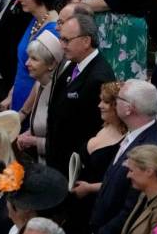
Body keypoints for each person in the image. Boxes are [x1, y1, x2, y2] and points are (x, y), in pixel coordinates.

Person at [88, 80, 157, 234]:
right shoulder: (136, 134)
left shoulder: (151, 148)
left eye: (119, 99)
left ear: (129, 108)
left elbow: (134, 205)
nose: (115, 102)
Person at [47, 12, 117, 175]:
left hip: (75, 168)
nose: (62, 45)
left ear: (86, 41)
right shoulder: (74, 63)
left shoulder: (99, 77)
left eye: (66, 40)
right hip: (58, 160)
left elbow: (97, 127)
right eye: (61, 39)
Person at [0, 0, 66, 112]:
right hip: (19, 94)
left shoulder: (54, 29)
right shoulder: (35, 21)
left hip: (34, 104)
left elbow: (46, 78)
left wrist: (24, 111)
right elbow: (22, 66)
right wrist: (12, 94)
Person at [14, 32, 66, 164]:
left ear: (52, 64)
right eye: (28, 58)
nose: (27, 63)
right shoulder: (39, 84)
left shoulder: (59, 93)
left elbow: (62, 143)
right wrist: (27, 134)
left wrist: (33, 141)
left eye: (34, 59)